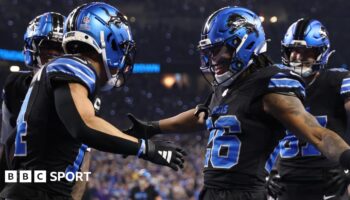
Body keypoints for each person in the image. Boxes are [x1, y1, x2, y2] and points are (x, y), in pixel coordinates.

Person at [125, 7, 350, 200]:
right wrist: (153, 127)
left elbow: (316, 132)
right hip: (214, 191)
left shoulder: (270, 84)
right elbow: (201, 116)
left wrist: (347, 161)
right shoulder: (227, 87)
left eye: (216, 50)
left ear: (242, 43)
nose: (212, 59)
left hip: (246, 193)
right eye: (208, 52)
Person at [0, 2, 185, 200]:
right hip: (40, 192)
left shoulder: (56, 72)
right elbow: (84, 124)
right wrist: (146, 148)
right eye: (121, 47)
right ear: (108, 40)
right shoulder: (72, 65)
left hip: (32, 188)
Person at [266, 18, 350, 200]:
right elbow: (261, 134)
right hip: (285, 183)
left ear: (322, 52)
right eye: (293, 50)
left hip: (329, 181)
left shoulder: (338, 81)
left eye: (306, 51)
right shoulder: (277, 86)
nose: (297, 56)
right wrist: (264, 170)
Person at [0, 11, 66, 192]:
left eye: (60, 48)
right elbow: (6, 142)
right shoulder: (14, 85)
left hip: (54, 186)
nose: (54, 54)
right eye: (48, 46)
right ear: (32, 47)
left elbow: (82, 160)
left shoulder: (72, 90)